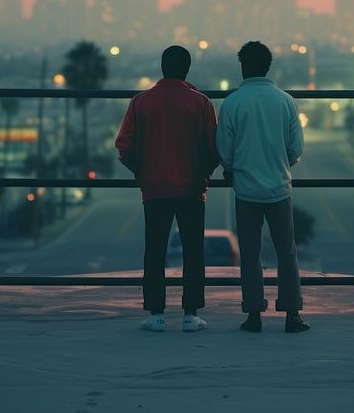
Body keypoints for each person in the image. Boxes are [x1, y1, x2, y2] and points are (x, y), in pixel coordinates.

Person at [115, 45, 219, 332]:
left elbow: (124, 145)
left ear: (162, 67)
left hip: (155, 189)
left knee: (155, 251)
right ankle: (190, 314)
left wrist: (143, 172)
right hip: (192, 189)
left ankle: (156, 314)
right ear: (187, 69)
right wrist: (203, 173)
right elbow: (213, 148)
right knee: (193, 252)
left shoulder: (141, 102)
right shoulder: (201, 103)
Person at [216, 40, 309, 333]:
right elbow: (295, 149)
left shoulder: (232, 103)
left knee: (250, 252)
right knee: (286, 251)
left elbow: (225, 150)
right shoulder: (286, 101)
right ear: (268, 66)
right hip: (279, 188)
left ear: (243, 66)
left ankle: (254, 314)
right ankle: (292, 314)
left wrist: (232, 169)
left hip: (245, 189)